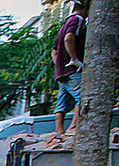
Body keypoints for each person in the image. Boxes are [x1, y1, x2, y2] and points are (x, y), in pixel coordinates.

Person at [52, 1, 88, 135]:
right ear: (85, 9)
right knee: (83, 97)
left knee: (62, 102)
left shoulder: (64, 24)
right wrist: (74, 60)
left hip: (62, 72)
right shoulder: (78, 20)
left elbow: (54, 51)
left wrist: (59, 65)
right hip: (73, 70)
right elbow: (69, 38)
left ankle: (59, 132)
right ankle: (73, 128)